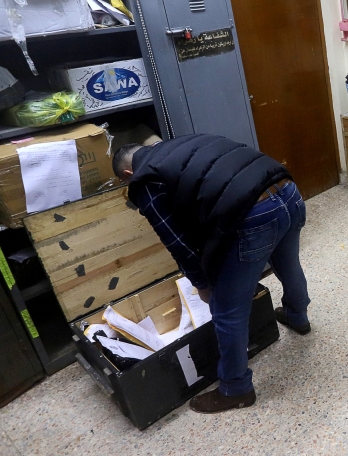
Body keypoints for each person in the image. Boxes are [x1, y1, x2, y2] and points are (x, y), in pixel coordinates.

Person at [113, 134, 313, 414]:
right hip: (288, 192)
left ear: (127, 173)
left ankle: (236, 389)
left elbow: (176, 241)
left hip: (254, 213)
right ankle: (297, 317)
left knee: (227, 308)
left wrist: (203, 284)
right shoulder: (184, 143)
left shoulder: (144, 180)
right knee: (288, 263)